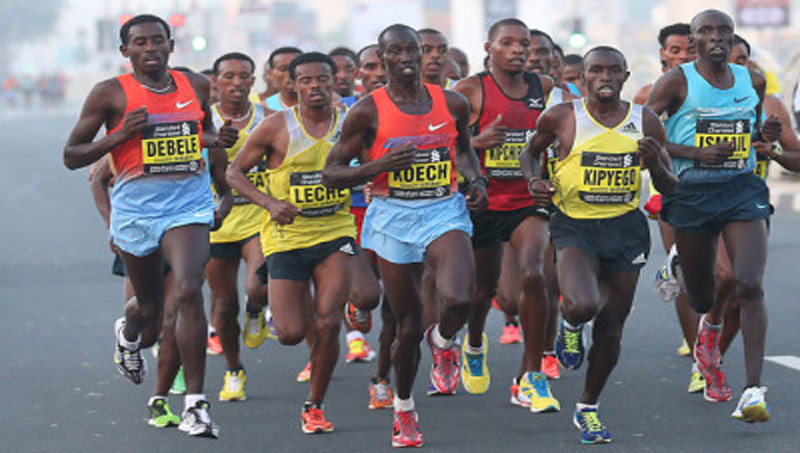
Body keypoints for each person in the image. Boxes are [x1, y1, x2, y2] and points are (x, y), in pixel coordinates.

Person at [63, 14, 238, 438]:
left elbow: (203, 132)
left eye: (158, 41)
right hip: (136, 209)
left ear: (171, 45)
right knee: (149, 311)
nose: (150, 49)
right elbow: (72, 155)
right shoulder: (109, 93)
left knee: (190, 289)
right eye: (140, 42)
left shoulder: (196, 85)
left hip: (188, 205)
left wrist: (218, 142)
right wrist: (119, 135)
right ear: (125, 51)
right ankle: (128, 332)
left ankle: (195, 405)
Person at [322, 24, 488, 448]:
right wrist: (378, 167)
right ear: (383, 59)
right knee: (407, 324)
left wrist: (475, 182)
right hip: (392, 216)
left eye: (412, 49)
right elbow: (331, 173)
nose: (407, 58)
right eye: (395, 52)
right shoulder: (367, 111)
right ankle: (404, 408)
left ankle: (444, 341)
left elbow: (463, 150)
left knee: (460, 299)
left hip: (442, 210)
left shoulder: (452, 102)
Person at [522, 45, 677, 443]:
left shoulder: (645, 121)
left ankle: (587, 407)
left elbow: (670, 186)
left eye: (613, 71)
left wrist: (654, 163)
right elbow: (530, 152)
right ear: (583, 77)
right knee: (582, 303)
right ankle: (571, 324)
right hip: (574, 226)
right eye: (596, 71)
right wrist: (534, 181)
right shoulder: (561, 116)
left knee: (611, 328)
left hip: (625, 229)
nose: (605, 78)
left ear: (625, 77)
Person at [227, 51, 378, 434]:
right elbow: (234, 172)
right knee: (292, 333)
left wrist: (371, 181)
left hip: (334, 230)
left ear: (335, 82)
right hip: (286, 238)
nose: (315, 87)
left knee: (328, 323)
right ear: (292, 85)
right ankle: (293, 304)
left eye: (322, 79)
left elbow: (368, 161)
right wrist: (269, 203)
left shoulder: (350, 122)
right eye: (306, 81)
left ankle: (315, 404)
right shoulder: (276, 127)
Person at [646, 9, 781, 422]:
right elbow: (643, 134)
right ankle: (706, 317)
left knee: (748, 284)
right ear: (694, 41)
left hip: (741, 188)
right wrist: (694, 153)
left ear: (732, 36)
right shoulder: (675, 82)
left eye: (724, 30)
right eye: (707, 31)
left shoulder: (751, 79)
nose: (717, 37)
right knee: (703, 297)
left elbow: (749, 131)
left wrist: (764, 138)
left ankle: (752, 390)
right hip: (691, 192)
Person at [453, 19, 558, 411]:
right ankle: (474, 343)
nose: (517, 50)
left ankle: (530, 376)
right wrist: (478, 141)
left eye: (523, 44)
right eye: (507, 43)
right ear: (489, 48)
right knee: (483, 289)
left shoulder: (543, 87)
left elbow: (554, 137)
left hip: (527, 199)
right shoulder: (469, 90)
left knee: (534, 274)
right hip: (484, 200)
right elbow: (448, 144)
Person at [205, 52, 272, 402]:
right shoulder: (203, 120)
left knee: (258, 287)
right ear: (216, 81)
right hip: (215, 221)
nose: (236, 83)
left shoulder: (269, 119)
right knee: (224, 305)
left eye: (243, 76)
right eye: (228, 76)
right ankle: (234, 370)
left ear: (253, 80)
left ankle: (257, 308)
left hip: (258, 217)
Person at [264, 47, 303, 111]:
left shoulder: (319, 106)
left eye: (295, 68)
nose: (290, 74)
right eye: (283, 69)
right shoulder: (263, 110)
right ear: (270, 74)